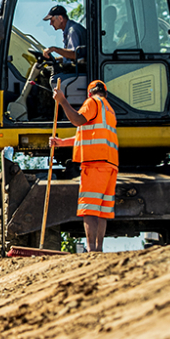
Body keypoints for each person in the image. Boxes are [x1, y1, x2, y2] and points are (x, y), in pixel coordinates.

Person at [54, 78, 118, 254]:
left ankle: (91, 249)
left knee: (89, 208)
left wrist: (62, 101)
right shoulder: (109, 110)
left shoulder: (92, 102)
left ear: (89, 93)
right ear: (105, 93)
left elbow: (77, 120)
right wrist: (62, 142)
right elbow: (87, 135)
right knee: (102, 210)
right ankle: (98, 249)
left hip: (95, 163)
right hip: (109, 164)